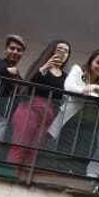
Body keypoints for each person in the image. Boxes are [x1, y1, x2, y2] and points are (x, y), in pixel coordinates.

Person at [49, 49, 99, 177]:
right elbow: (68, 87)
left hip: (91, 125)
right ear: (91, 62)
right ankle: (59, 179)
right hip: (72, 121)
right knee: (64, 152)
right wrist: (84, 89)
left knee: (83, 156)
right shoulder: (78, 70)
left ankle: (76, 182)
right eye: (98, 62)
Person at [6, 40, 70, 169]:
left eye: (66, 51)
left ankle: (22, 180)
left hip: (48, 116)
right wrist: (45, 67)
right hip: (30, 109)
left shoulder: (66, 77)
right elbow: (29, 85)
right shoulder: (41, 67)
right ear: (52, 50)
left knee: (33, 152)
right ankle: (9, 175)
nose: (62, 52)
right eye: (60, 49)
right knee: (20, 146)